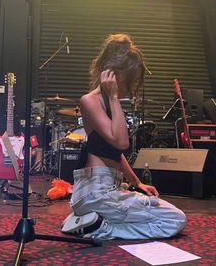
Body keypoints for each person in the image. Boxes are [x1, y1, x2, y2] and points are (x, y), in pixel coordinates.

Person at [61, 33, 186, 240]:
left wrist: (137, 183)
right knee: (175, 219)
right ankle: (98, 228)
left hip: (107, 188)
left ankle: (90, 219)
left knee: (163, 212)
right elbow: (122, 142)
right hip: (96, 191)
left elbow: (115, 152)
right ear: (115, 75)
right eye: (132, 80)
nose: (133, 87)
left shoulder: (111, 105)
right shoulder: (89, 101)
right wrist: (113, 96)